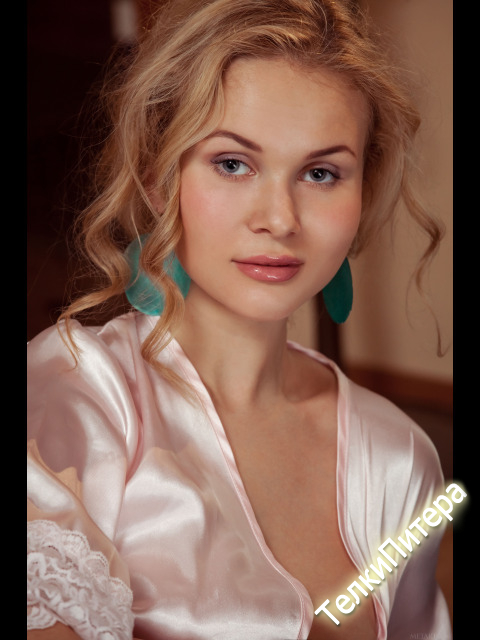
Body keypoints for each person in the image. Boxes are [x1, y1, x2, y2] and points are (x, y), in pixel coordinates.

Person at [27, 1, 452, 638]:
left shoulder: (403, 456)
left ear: (362, 195)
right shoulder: (77, 392)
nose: (279, 219)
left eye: (321, 173)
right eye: (232, 163)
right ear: (157, 180)